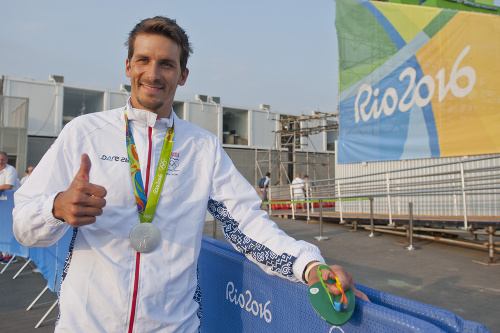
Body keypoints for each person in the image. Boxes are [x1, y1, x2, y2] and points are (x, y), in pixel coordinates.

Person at [13, 16, 367, 332]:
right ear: (127, 66)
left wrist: (309, 267)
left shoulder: (203, 148)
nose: (152, 74)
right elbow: (23, 226)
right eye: (144, 60)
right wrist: (56, 208)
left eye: (166, 64)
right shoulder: (84, 133)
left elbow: (247, 224)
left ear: (182, 75)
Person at [0, 151, 20, 264]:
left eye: (3, 159)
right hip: (2, 204)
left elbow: (8, 185)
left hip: (11, 205)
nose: (1, 161)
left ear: (6, 160)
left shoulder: (10, 169)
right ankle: (3, 253)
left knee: (9, 228)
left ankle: (11, 255)